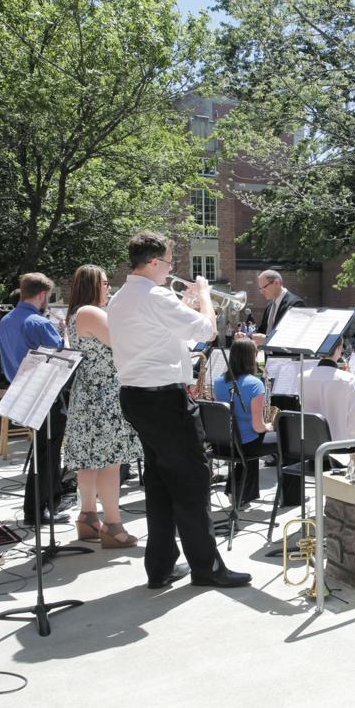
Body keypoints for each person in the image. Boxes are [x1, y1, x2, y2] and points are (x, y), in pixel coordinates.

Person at [108, 231, 250, 589]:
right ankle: (206, 567)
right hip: (165, 399)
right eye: (170, 263)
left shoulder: (121, 297)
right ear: (154, 263)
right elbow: (207, 331)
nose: (172, 269)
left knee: (159, 483)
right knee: (192, 481)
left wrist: (185, 305)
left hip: (138, 397)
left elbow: (177, 339)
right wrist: (203, 295)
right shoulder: (154, 295)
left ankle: (161, 566)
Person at [62, 265, 143, 548]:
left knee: (89, 460)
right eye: (106, 283)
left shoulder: (75, 314)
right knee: (111, 461)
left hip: (88, 393)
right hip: (104, 394)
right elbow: (122, 343)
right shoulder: (91, 312)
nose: (109, 288)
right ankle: (112, 524)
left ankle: (87, 516)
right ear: (93, 285)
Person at [0, 272, 67, 526]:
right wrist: (64, 332)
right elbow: (64, 356)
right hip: (43, 391)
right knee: (49, 451)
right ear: (42, 295)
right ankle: (40, 508)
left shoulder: (5, 320)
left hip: (20, 390)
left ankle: (35, 507)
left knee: (40, 451)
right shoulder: (39, 322)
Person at [214, 336, 277, 503]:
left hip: (223, 443)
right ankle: (291, 496)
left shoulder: (218, 381)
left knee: (250, 447)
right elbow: (257, 427)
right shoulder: (255, 384)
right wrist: (269, 426)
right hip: (245, 444)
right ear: (251, 357)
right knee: (284, 439)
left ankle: (235, 491)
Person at [252, 268, 305, 346]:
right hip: (268, 357)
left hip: (284, 357)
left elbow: (294, 335)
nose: (261, 292)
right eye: (260, 289)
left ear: (276, 283)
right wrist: (246, 336)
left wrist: (267, 339)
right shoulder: (269, 306)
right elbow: (262, 331)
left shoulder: (295, 304)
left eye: (264, 287)